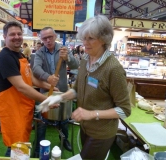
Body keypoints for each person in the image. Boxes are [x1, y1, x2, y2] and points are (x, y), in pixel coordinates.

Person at [39, 15, 131, 159]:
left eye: (91, 38)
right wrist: (58, 98)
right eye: (84, 38)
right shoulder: (86, 59)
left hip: (102, 132)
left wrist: (92, 114)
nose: (85, 43)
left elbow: (125, 110)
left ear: (104, 39)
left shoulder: (114, 69)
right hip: (85, 127)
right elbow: (76, 90)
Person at [0, 21, 58, 157]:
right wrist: (46, 100)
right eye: (12, 34)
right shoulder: (5, 57)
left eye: (19, 33)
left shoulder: (20, 55)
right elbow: (21, 86)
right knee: (16, 145)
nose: (17, 36)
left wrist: (49, 86)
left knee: (22, 142)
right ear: (5, 36)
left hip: (23, 108)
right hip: (13, 109)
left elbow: (31, 79)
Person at [32, 27, 79, 156]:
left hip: (62, 91)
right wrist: (48, 78)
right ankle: (39, 145)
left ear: (55, 36)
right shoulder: (40, 52)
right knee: (42, 120)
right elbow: (35, 68)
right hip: (46, 91)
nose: (48, 40)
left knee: (63, 119)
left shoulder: (63, 50)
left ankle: (64, 140)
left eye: (50, 37)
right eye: (44, 38)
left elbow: (75, 65)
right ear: (41, 39)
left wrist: (68, 58)